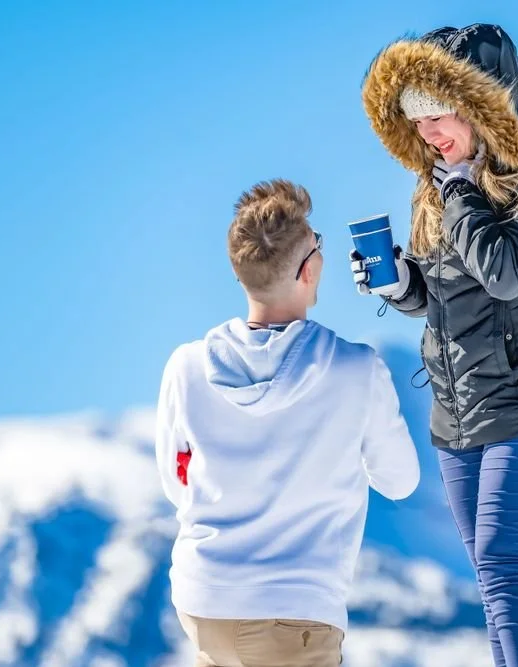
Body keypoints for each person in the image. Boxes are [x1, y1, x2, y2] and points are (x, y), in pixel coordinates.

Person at [353, 24, 518, 667]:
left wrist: (462, 188)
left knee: (506, 562)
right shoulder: (440, 182)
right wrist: (399, 281)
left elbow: (506, 271)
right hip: (465, 410)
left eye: (440, 114)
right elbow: (448, 293)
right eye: (417, 120)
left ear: (484, 105)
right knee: (496, 579)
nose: (430, 133)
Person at [155, 178, 420, 667]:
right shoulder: (355, 370)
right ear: (308, 269)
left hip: (205, 601)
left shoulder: (187, 366)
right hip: (294, 610)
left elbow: (177, 483)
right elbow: (401, 481)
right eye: (317, 244)